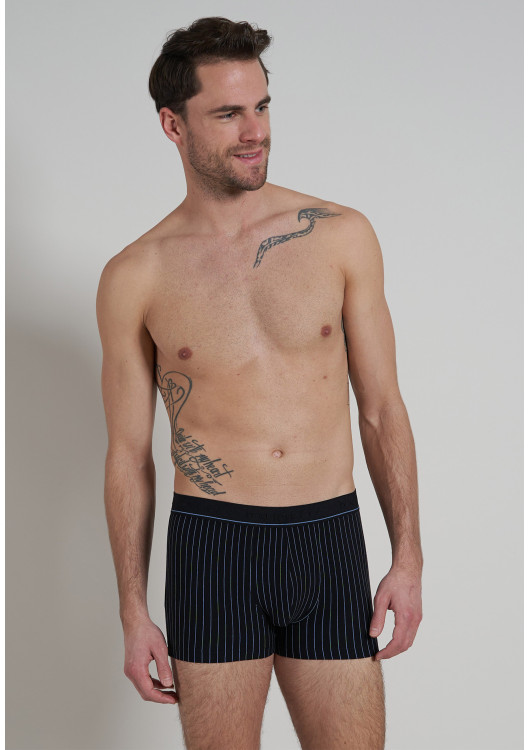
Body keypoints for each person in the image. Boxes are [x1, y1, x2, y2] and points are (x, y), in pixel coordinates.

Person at [96, 16, 423, 750]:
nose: (255, 132)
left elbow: (380, 410)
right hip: (213, 548)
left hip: (328, 538)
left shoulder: (340, 235)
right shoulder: (136, 275)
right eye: (227, 114)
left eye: (262, 107)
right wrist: (132, 610)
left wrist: (408, 557)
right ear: (173, 125)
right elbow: (127, 455)